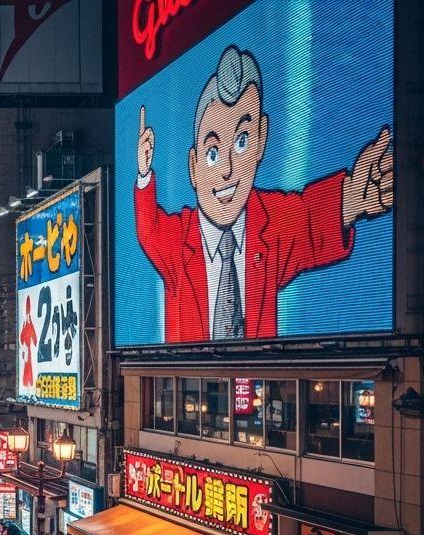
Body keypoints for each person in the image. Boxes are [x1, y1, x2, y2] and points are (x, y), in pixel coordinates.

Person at [131, 45, 393, 343]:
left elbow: (309, 218)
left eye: (241, 141)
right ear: (193, 166)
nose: (228, 169)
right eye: (213, 153)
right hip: (192, 369)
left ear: (261, 141)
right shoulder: (178, 237)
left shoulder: (269, 219)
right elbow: (149, 230)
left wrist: (351, 198)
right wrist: (144, 174)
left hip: (258, 367)